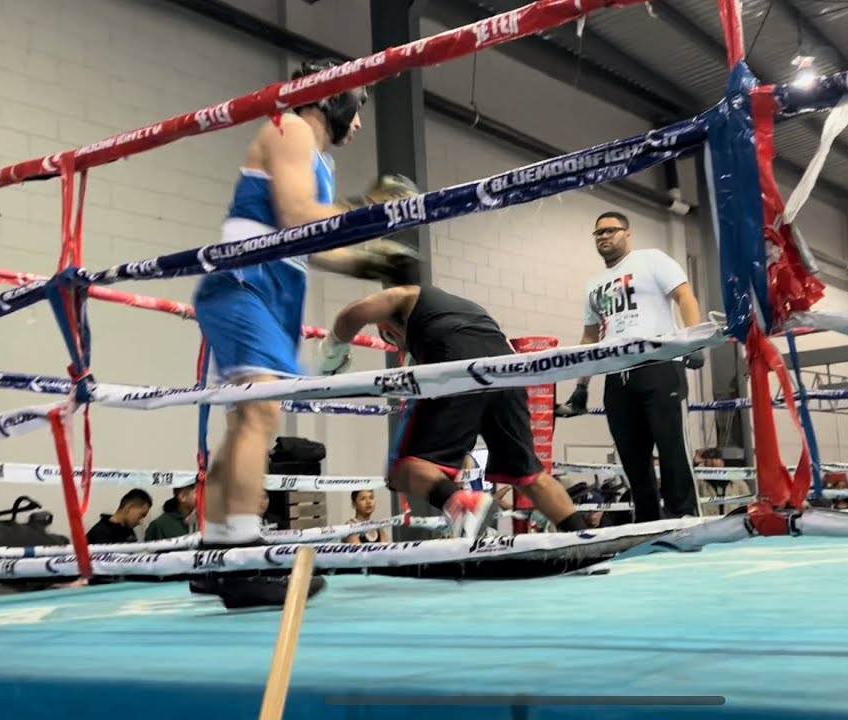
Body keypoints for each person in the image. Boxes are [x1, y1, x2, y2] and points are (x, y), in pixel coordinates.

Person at [190, 58, 421, 609]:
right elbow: (298, 215)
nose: (358, 122)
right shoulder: (290, 127)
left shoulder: (320, 162)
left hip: (272, 289)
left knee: (246, 418)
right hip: (248, 282)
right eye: (356, 106)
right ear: (333, 96)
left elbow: (312, 243)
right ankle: (242, 558)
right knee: (259, 413)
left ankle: (216, 553)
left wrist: (370, 260)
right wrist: (366, 212)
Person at [313, 283, 593, 538]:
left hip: (457, 364)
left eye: (391, 337)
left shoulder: (405, 295)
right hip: (509, 371)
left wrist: (331, 354)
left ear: (390, 325)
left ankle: (465, 504)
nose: (397, 344)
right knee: (529, 476)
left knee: (405, 468)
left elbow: (355, 313)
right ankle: (583, 537)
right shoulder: (463, 310)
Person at [557, 211, 705, 522]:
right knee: (633, 460)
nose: (604, 236)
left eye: (610, 230)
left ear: (627, 233)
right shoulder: (593, 284)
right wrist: (581, 387)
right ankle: (647, 523)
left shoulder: (651, 260)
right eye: (598, 233)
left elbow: (684, 296)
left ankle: (683, 518)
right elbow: (590, 336)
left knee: (671, 449)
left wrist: (693, 340)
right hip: (617, 376)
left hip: (658, 366)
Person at [85, 489, 152, 545]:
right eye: (141, 515)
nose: (141, 522)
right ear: (129, 508)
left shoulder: (127, 529)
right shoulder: (100, 533)